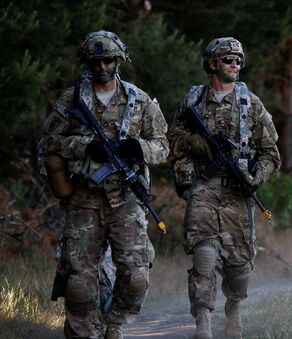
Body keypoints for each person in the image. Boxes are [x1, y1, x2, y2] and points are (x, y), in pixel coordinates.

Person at [40, 30, 169, 339]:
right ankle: (89, 332)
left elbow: (163, 146)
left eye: (108, 60)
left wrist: (141, 149)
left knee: (136, 276)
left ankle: (114, 322)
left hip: (125, 199)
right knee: (80, 283)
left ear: (119, 60)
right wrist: (84, 146)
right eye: (96, 61)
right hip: (84, 199)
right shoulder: (71, 100)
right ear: (88, 62)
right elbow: (50, 143)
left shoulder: (139, 101)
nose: (101, 66)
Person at [167, 37, 281, 339]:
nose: (235, 65)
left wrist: (254, 178)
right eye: (229, 60)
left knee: (239, 267)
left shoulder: (251, 105)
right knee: (204, 256)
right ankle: (202, 322)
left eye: (239, 61)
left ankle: (234, 309)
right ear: (213, 64)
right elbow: (173, 140)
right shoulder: (193, 101)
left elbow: (271, 154)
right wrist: (198, 143)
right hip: (203, 188)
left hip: (238, 193)